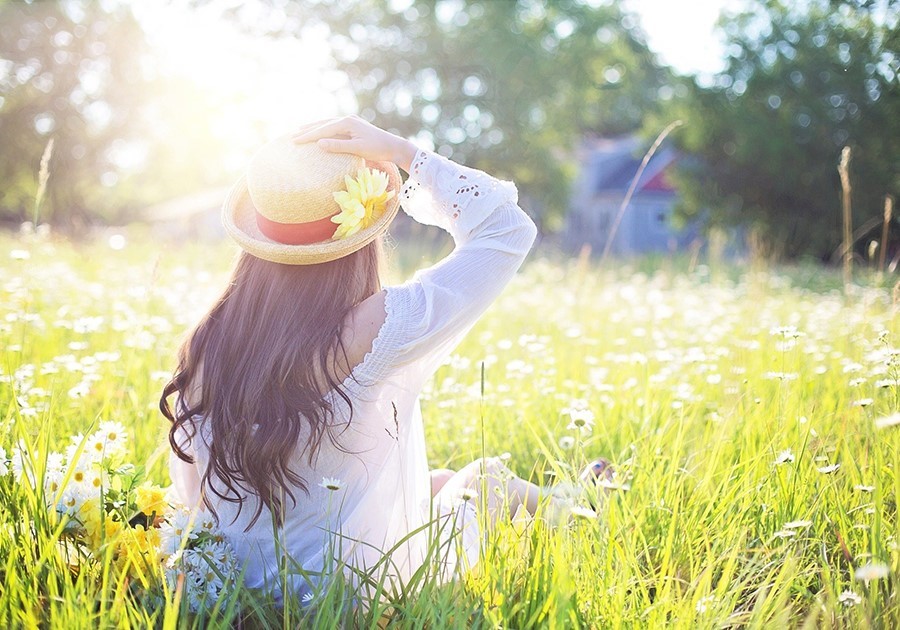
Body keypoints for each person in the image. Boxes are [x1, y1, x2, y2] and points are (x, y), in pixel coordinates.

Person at [160, 116, 608, 604]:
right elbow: (507, 230)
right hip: (350, 594)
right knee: (484, 478)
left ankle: (573, 499)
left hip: (238, 585)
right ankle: (580, 507)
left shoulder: (206, 340)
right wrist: (404, 153)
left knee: (434, 483)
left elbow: (194, 490)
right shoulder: (372, 328)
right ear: (359, 238)